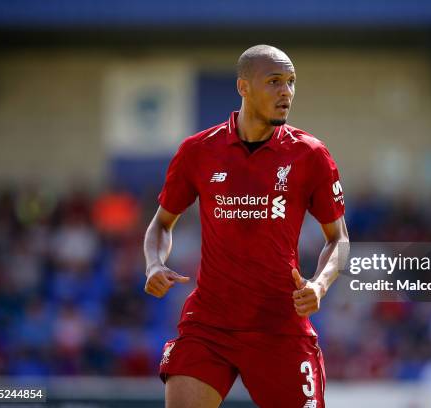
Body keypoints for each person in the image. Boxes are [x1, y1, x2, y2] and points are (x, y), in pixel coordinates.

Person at [144, 44, 349, 408]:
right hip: (209, 323)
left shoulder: (311, 155)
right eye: (274, 82)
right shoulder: (198, 151)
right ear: (243, 87)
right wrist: (155, 263)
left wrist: (319, 284)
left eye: (291, 82)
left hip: (279, 325)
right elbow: (161, 224)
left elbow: (339, 239)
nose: (286, 92)